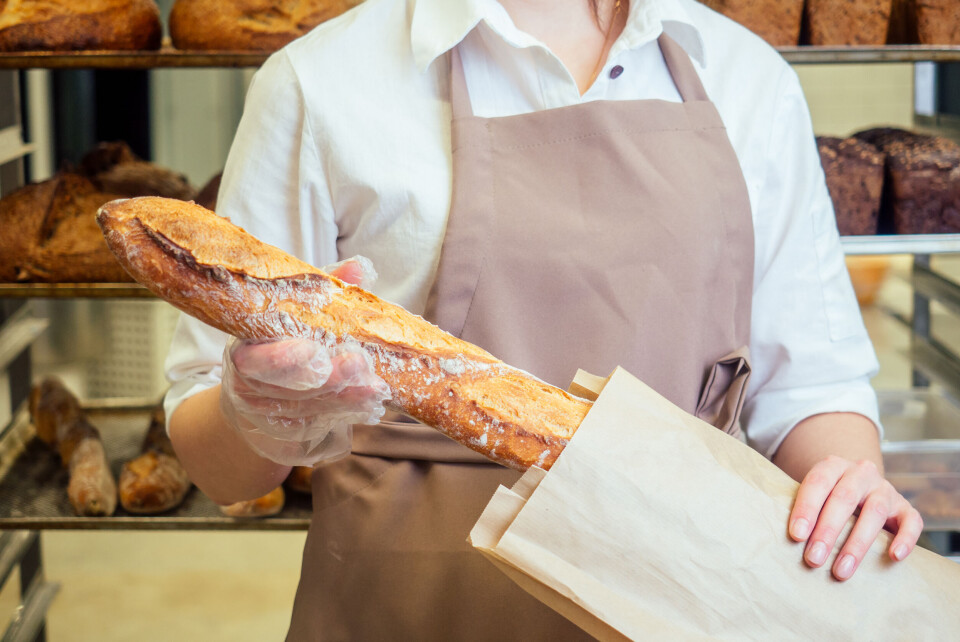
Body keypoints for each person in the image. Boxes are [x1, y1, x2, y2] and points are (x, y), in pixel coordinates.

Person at [164, 0, 924, 638]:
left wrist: (848, 488)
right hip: (406, 607)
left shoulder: (745, 77)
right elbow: (219, 467)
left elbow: (809, 388)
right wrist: (257, 413)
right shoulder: (321, 83)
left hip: (686, 596)